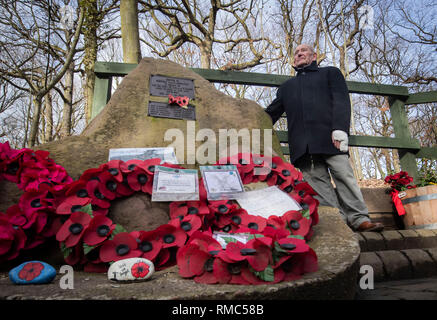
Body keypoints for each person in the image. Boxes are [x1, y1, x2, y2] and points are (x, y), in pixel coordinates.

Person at [265, 44, 384, 232]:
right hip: (303, 147)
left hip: (331, 139)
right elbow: (270, 113)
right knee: (319, 189)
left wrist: (339, 129)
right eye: (296, 53)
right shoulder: (287, 87)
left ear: (314, 57)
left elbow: (341, 100)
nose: (299, 54)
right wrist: (250, 122)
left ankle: (359, 218)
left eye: (303, 51)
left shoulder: (330, 73)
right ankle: (339, 223)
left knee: (344, 177)